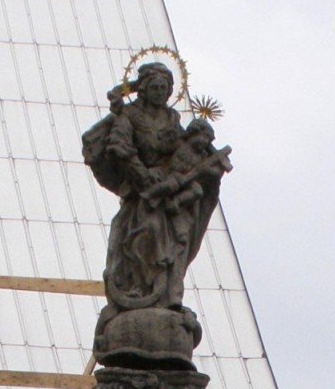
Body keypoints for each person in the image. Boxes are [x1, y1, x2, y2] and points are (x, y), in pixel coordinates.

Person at [83, 65, 229, 320]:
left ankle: (165, 295)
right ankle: (137, 291)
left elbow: (184, 147)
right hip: (140, 194)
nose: (160, 92)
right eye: (155, 87)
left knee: (175, 242)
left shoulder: (172, 118)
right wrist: (143, 175)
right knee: (144, 235)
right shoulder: (128, 116)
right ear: (143, 89)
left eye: (164, 87)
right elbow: (120, 147)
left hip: (169, 194)